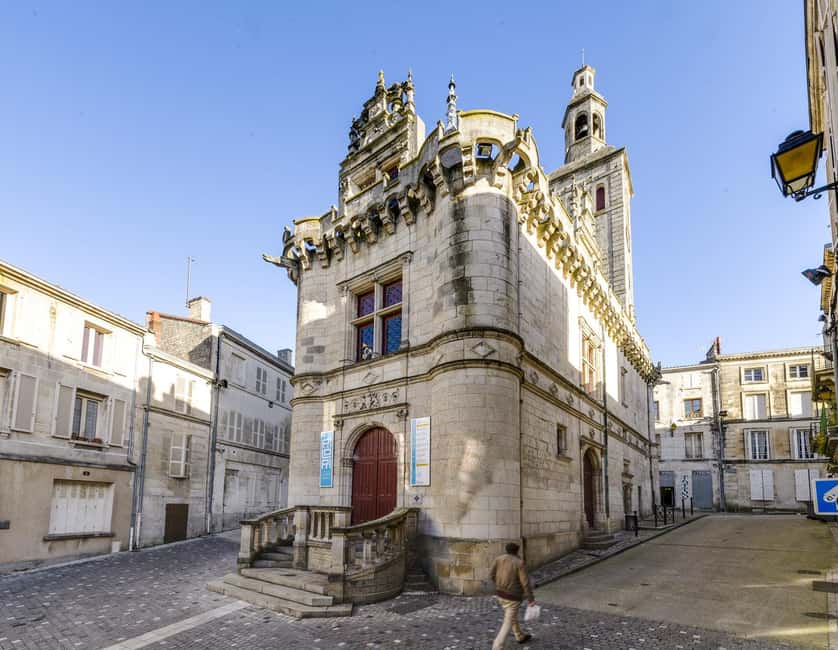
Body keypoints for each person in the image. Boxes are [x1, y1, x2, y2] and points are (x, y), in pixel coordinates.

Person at [490, 542, 534, 648]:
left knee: (511, 616)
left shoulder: (498, 559)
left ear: (507, 550)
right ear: (517, 551)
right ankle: (497, 647)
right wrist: (531, 599)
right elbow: (525, 583)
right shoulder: (519, 563)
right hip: (513, 597)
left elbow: (491, 574)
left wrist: (499, 585)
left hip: (500, 594)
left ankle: (520, 636)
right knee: (507, 623)